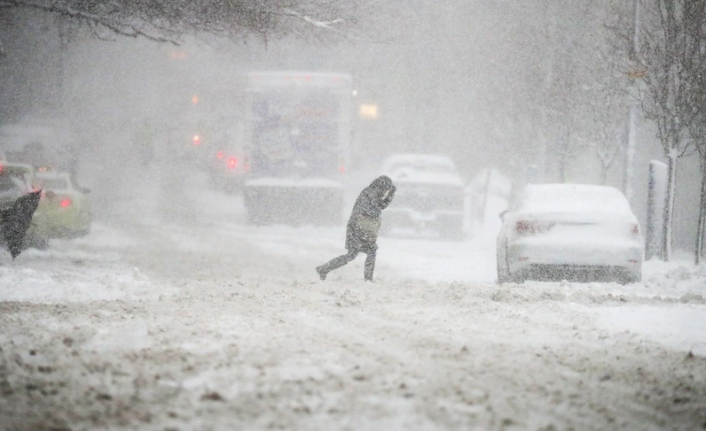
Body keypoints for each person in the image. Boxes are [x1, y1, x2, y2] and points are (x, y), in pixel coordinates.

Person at [316, 175, 396, 281]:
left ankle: (325, 268)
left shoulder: (371, 193)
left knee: (359, 253)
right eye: (386, 189)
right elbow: (375, 209)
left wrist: (390, 195)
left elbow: (381, 206)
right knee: (358, 253)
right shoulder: (369, 194)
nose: (385, 191)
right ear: (381, 186)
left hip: (361, 228)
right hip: (357, 229)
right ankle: (325, 269)